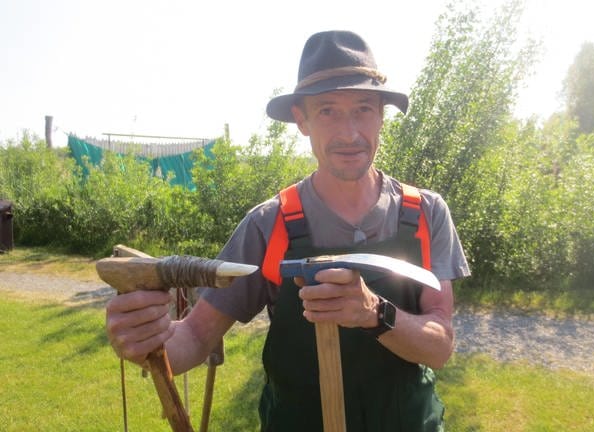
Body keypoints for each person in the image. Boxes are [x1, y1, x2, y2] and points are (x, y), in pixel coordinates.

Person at [106, 30, 470, 431]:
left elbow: (439, 347)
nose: (349, 133)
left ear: (382, 115)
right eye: (328, 111)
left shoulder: (424, 213)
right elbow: (193, 339)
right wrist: (146, 342)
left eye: (363, 109)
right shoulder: (270, 224)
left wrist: (373, 312)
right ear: (302, 120)